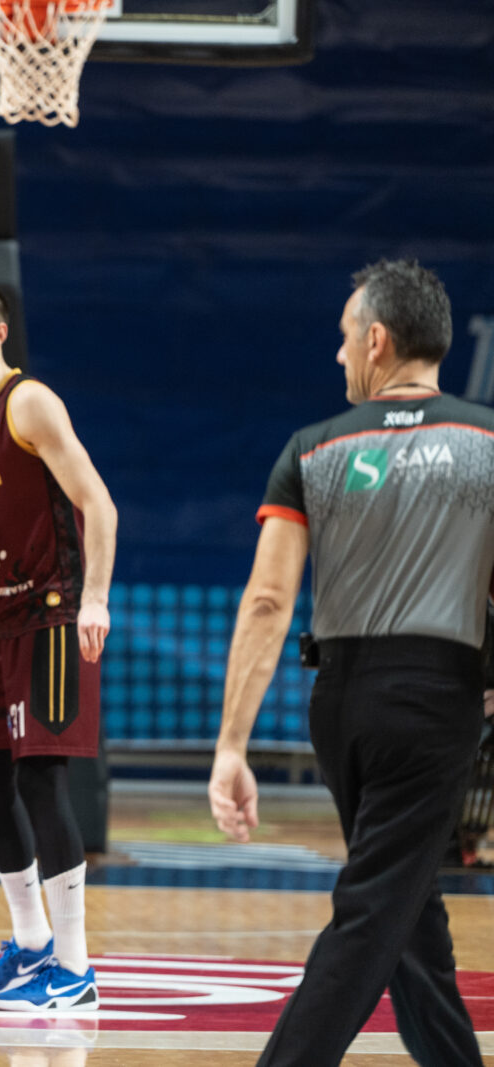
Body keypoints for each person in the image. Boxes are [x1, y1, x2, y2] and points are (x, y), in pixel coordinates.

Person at [210, 259, 493, 1067]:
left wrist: (232, 745)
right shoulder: (487, 443)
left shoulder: (314, 448)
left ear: (377, 339)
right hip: (435, 702)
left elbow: (268, 601)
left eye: (344, 337)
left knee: (406, 903)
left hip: (340, 703)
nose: (338, 354)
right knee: (379, 904)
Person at [0, 281, 116, 1013]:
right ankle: (33, 943)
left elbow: (97, 503)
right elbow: (8, 523)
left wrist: (95, 599)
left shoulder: (29, 402)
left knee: (41, 779)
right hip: (6, 616)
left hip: (51, 614)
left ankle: (75, 969)